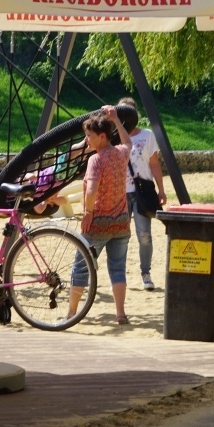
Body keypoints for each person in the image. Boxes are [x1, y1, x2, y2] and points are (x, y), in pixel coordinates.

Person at [68, 105, 132, 325]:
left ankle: (72, 313)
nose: (87, 140)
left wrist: (87, 212)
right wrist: (115, 119)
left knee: (81, 266)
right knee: (117, 268)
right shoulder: (121, 154)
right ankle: (120, 314)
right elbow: (128, 143)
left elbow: (92, 189)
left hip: (98, 224)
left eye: (89, 136)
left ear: (102, 136)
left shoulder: (96, 160)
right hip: (122, 221)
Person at [119, 97, 166, 290]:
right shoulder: (114, 138)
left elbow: (154, 164)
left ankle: (145, 272)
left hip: (141, 191)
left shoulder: (146, 136)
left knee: (144, 234)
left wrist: (161, 189)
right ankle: (118, 274)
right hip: (121, 192)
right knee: (119, 236)